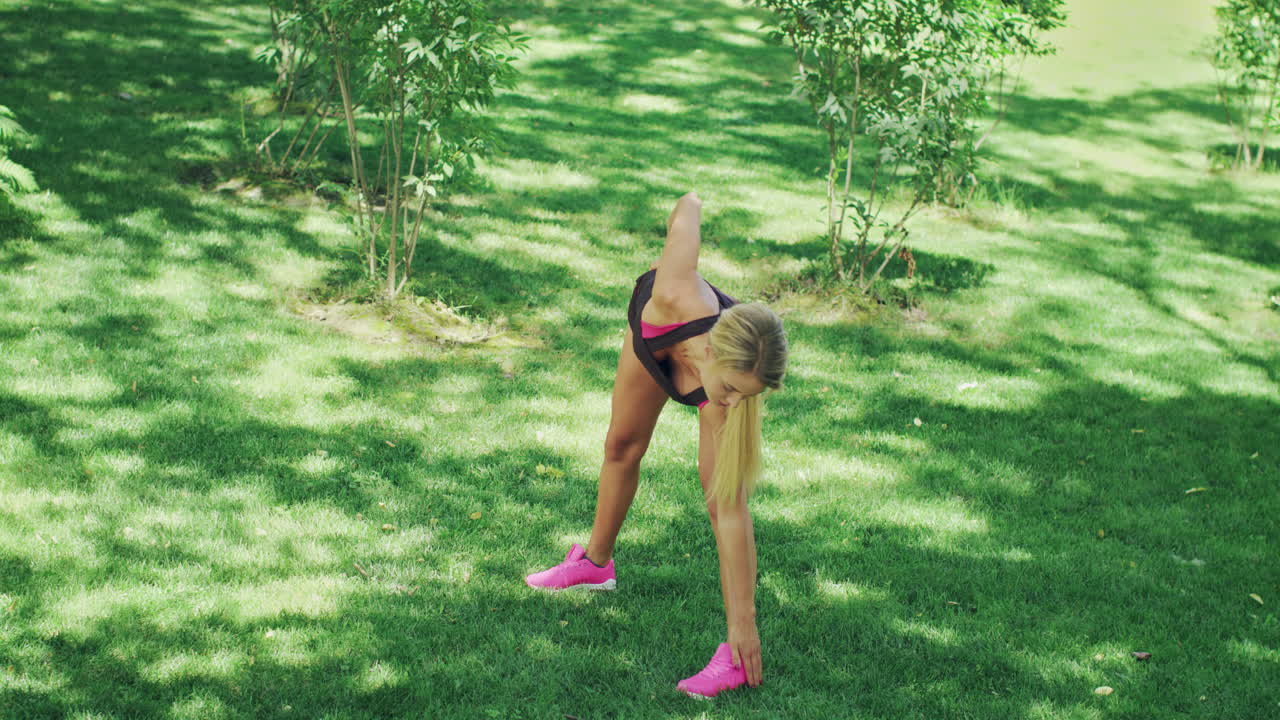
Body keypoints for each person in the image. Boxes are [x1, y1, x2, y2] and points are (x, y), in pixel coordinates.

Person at [525, 191, 788, 699]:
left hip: (693, 353)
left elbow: (731, 515)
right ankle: (595, 565)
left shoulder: (728, 399)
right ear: (713, 353)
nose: (737, 404)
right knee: (621, 445)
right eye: (734, 389)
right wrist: (696, 205)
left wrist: (746, 626)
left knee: (723, 501)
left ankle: (733, 654)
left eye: (748, 396)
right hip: (655, 332)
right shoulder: (674, 290)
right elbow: (688, 205)